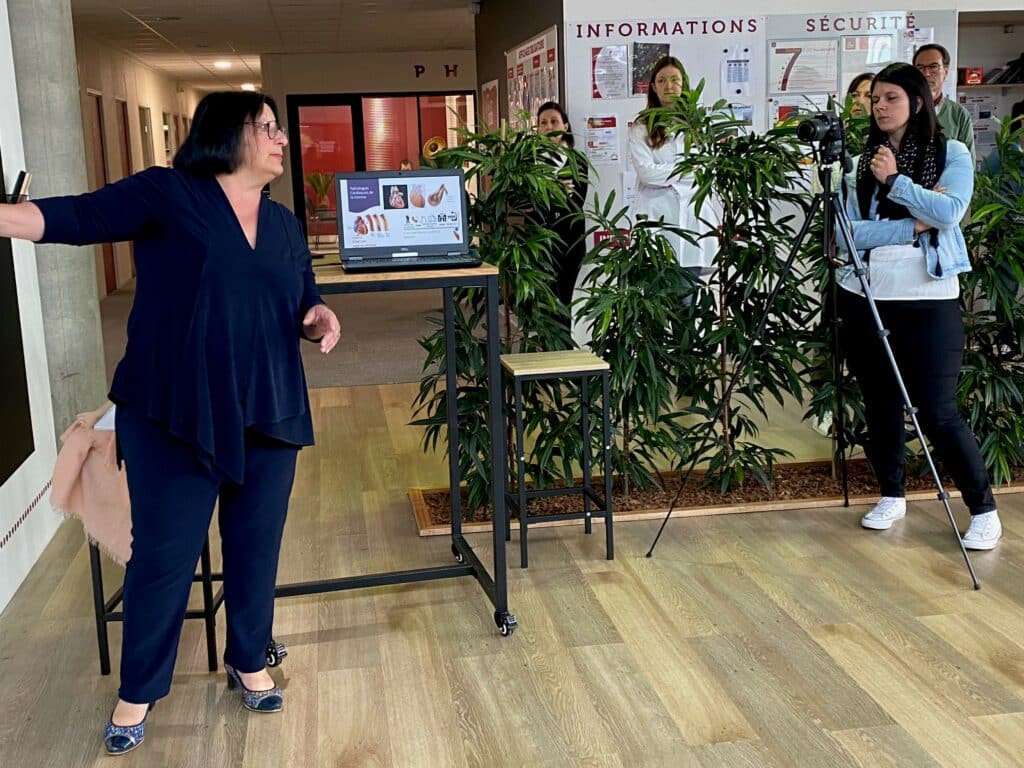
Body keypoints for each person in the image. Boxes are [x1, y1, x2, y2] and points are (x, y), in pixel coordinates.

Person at [0, 91, 342, 754]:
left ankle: (248, 659)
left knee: (256, 547)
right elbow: (80, 216)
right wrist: (9, 217)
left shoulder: (283, 224)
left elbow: (302, 294)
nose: (281, 139)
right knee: (164, 557)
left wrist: (317, 315)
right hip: (175, 411)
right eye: (267, 127)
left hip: (269, 406)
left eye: (279, 129)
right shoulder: (168, 194)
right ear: (226, 134)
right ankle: (138, 691)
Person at [836, 62, 1000, 549]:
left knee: (937, 409)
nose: (880, 107)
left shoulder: (952, 153)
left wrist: (897, 182)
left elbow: (950, 212)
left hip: (929, 296)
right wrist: (913, 224)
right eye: (875, 99)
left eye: (891, 98)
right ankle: (892, 493)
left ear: (918, 101)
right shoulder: (859, 163)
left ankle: (983, 509)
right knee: (880, 404)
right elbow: (848, 234)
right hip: (868, 293)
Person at [628, 56, 718, 281]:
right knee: (657, 297)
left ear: (683, 84)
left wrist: (667, 171)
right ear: (653, 87)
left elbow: (705, 171)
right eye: (662, 80)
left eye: (674, 79)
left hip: (694, 223)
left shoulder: (698, 126)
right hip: (656, 222)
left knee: (688, 298)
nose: (669, 86)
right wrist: (686, 168)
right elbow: (647, 174)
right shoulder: (641, 127)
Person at [536, 101, 588, 312]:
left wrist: (545, 191)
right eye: (543, 122)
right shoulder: (530, 161)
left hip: (571, 240)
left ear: (565, 126)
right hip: (539, 241)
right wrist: (558, 189)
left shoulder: (577, 161)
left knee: (565, 299)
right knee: (544, 301)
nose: (549, 127)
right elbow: (524, 202)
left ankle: (565, 333)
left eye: (554, 121)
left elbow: (576, 201)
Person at [912, 44, 975, 160]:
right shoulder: (902, 110)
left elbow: (968, 163)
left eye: (933, 67)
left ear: (945, 72)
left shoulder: (959, 114)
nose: (926, 73)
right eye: (920, 68)